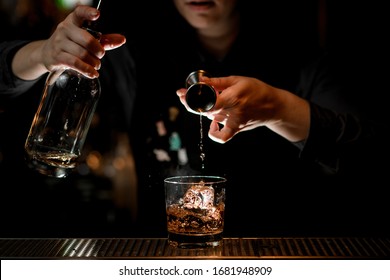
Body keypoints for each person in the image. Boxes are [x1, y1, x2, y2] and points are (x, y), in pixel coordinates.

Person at [1, 0, 388, 239]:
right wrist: (44, 53)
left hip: (278, 253)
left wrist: (279, 108)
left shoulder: (302, 56)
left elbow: (370, 157)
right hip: (157, 257)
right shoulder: (133, 52)